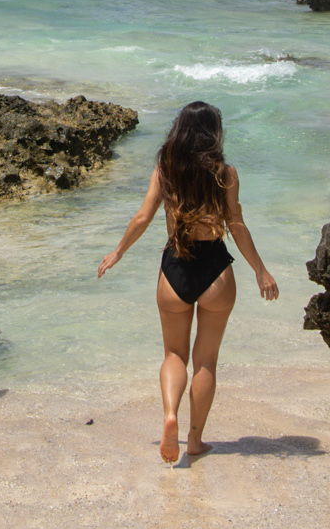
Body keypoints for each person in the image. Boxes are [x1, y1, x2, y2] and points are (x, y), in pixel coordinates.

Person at [97, 101, 279, 463]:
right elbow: (236, 224)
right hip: (216, 271)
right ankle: (194, 441)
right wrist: (261, 270)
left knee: (173, 354)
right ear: (214, 133)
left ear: (179, 130)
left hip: (175, 268)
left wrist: (118, 251)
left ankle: (170, 415)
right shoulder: (226, 174)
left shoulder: (166, 170)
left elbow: (142, 217)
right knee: (206, 361)